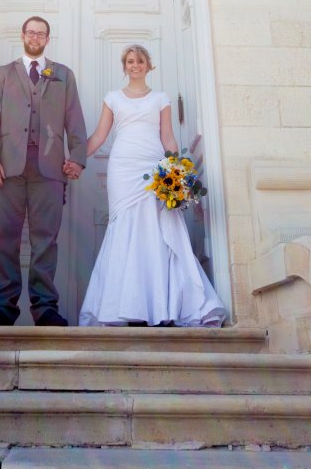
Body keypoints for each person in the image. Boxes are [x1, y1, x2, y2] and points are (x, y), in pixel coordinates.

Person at [79, 44, 225, 328]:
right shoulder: (112, 98)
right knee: (125, 226)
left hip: (153, 166)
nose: (135, 65)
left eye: (140, 61)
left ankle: (162, 304)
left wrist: (178, 172)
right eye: (130, 61)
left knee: (159, 227)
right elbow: (98, 136)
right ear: (124, 66)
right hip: (123, 168)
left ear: (148, 65)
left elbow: (168, 137)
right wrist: (74, 159)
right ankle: (121, 306)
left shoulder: (161, 98)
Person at [0, 16, 87, 327]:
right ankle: (3, 307)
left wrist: (77, 157)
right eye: (31, 32)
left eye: (41, 33)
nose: (36, 37)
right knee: (4, 238)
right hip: (7, 168)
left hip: (49, 169)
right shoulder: (2, 74)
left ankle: (45, 308)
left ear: (47, 39)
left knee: (45, 241)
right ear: (23, 35)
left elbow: (75, 119)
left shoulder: (63, 75)